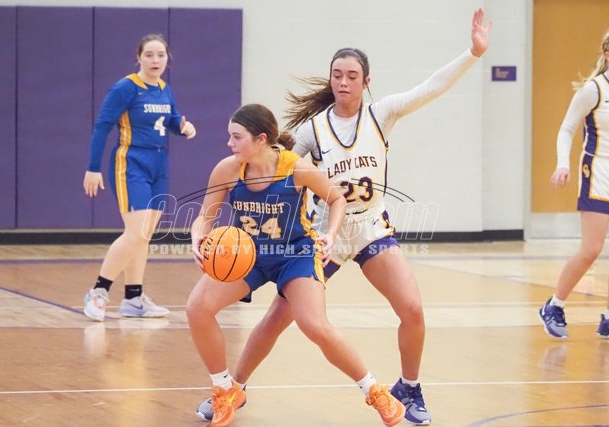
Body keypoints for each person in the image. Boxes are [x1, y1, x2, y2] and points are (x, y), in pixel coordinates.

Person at [196, 8, 491, 426]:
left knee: (412, 308)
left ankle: (409, 387)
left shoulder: (382, 114)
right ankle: (235, 389)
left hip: (370, 226)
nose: (343, 82)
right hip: (323, 235)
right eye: (337, 75)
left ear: (366, 81)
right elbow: (278, 167)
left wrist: (473, 53)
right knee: (278, 319)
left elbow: (430, 88)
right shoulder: (312, 131)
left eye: (352, 76)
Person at [186, 103, 406, 427]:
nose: (230, 143)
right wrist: (198, 238)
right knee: (197, 308)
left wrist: (330, 234)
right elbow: (205, 216)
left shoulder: (295, 167)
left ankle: (375, 391)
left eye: (237, 137)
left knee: (314, 325)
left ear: (261, 139)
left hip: (296, 253)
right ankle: (224, 390)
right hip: (248, 255)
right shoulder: (227, 170)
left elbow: (336, 198)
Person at [83, 34, 197, 321]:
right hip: (131, 162)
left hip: (159, 164)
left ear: (168, 59)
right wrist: (93, 168)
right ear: (139, 58)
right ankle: (98, 292)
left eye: (161, 55)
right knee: (135, 233)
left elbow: (171, 120)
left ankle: (133, 298)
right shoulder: (125, 88)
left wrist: (183, 126)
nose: (155, 60)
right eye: (149, 55)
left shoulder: (164, 89)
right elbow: (102, 126)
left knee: (144, 236)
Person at [539, 28, 609, 339]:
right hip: (598, 170)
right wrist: (562, 163)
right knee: (591, 249)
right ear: (607, 52)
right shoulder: (594, 90)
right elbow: (567, 128)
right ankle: (554, 305)